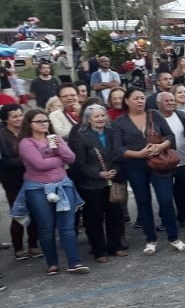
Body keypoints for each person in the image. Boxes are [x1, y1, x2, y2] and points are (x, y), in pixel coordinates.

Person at [113, 89, 185, 255]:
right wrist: (138, 154)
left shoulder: (154, 115)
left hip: (159, 162)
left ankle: (174, 237)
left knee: (166, 200)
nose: (140, 101)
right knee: (143, 202)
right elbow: (118, 149)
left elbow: (170, 136)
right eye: (136, 98)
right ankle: (150, 239)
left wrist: (160, 146)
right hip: (135, 165)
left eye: (142, 98)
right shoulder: (119, 122)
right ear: (127, 101)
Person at [15, 108, 88, 275]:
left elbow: (71, 158)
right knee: (46, 227)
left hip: (62, 185)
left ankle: (74, 262)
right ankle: (52, 263)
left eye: (45, 121)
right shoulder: (26, 143)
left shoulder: (56, 139)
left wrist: (57, 148)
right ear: (30, 124)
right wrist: (58, 159)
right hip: (37, 189)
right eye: (38, 121)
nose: (43, 124)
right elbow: (39, 164)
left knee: (67, 226)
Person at [70, 104, 126, 262]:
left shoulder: (112, 131)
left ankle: (115, 246)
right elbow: (79, 163)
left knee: (115, 214)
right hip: (91, 184)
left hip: (112, 180)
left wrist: (115, 169)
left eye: (103, 115)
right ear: (88, 119)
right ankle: (99, 251)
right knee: (94, 218)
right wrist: (98, 174)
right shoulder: (80, 135)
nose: (101, 119)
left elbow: (119, 152)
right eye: (96, 116)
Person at [0, 104, 41, 260]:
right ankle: (18, 247)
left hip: (33, 178)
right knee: (18, 213)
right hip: (13, 181)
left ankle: (33, 244)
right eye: (14, 116)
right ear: (5, 119)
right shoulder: (2, 135)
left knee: (36, 212)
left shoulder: (27, 133)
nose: (19, 118)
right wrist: (28, 160)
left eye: (20, 115)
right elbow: (4, 162)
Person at [156, 91, 185, 235]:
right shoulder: (154, 118)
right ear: (159, 103)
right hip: (162, 163)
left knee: (183, 192)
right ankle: (166, 220)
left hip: (183, 161)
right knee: (165, 195)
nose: (171, 102)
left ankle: (184, 217)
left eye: (172, 100)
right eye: (167, 101)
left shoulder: (182, 116)